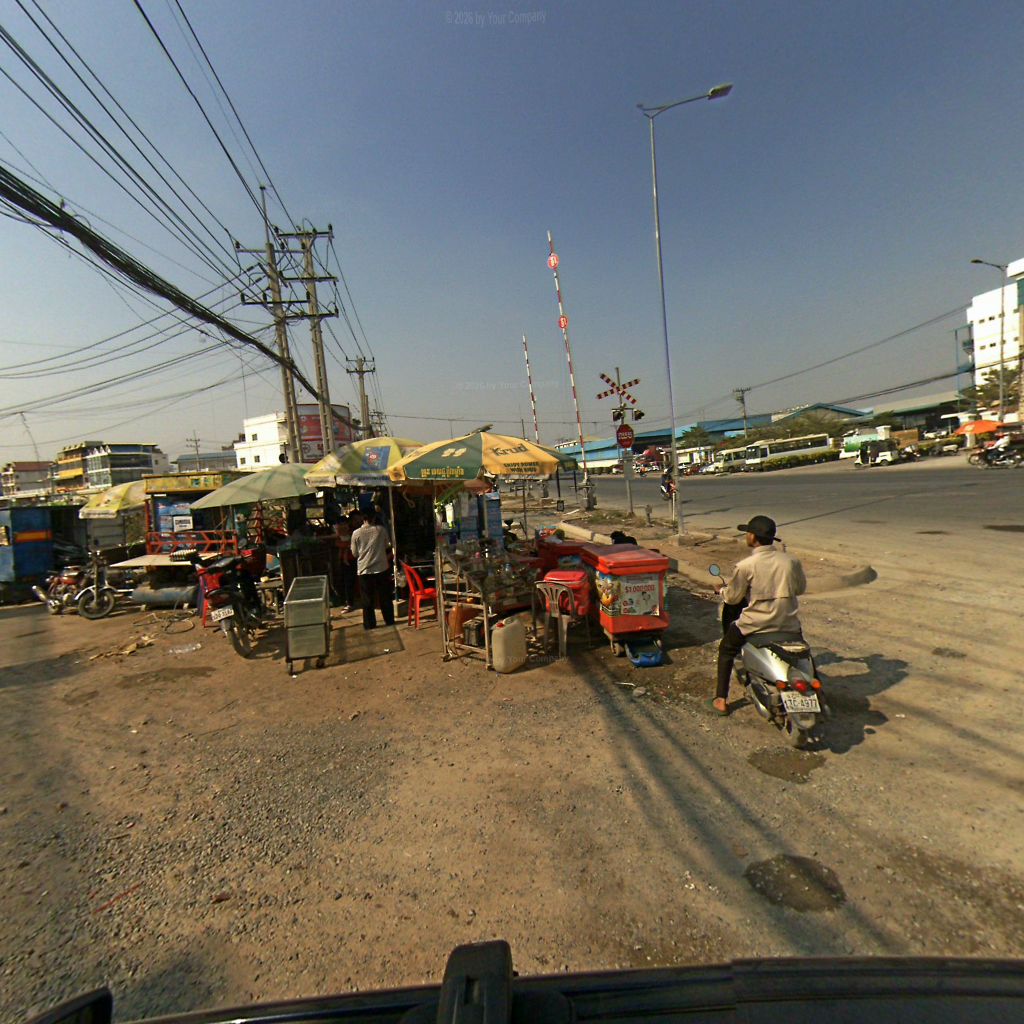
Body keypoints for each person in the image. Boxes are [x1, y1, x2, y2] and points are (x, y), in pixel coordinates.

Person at [712, 515, 806, 716]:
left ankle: (721, 700)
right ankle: (817, 692)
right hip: (788, 622)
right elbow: (800, 588)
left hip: (755, 624)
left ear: (753, 537)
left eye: (747, 533)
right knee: (803, 654)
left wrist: (721, 590)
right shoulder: (791, 561)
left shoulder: (746, 566)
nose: (746, 536)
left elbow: (733, 598)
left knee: (726, 650)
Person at [350, 511, 394, 629]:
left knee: (367, 599)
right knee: (385, 596)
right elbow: (387, 545)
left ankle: (369, 624)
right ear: (374, 518)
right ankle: (389, 620)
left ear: (362, 519)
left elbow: (354, 553)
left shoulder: (356, 533)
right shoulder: (381, 530)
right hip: (381, 567)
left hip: (364, 569)